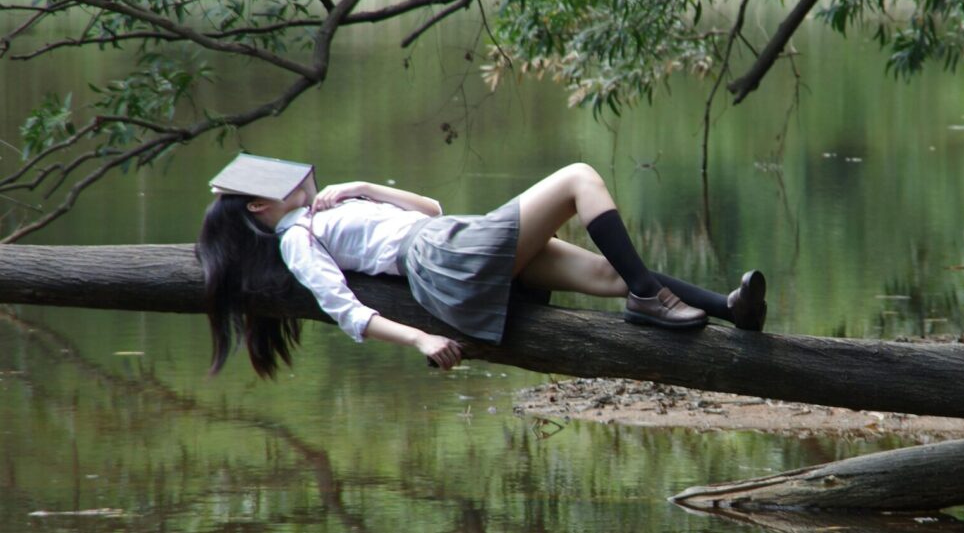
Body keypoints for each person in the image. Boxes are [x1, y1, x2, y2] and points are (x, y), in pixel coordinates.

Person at [197, 156, 767, 377]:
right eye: (283, 183)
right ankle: (649, 301)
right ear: (257, 206)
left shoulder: (326, 209)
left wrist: (365, 186)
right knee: (577, 178)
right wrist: (421, 340)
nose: (301, 180)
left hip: (447, 236)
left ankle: (727, 309)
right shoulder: (297, 238)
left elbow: (431, 209)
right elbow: (346, 310)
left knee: (608, 276)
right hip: (443, 258)